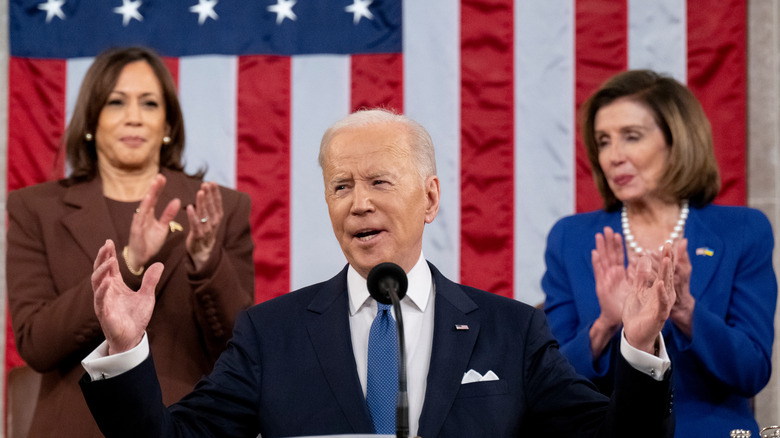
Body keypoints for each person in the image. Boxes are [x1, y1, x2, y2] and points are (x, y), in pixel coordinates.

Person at [81, 108, 674, 437]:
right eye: (340, 186)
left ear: (431, 198)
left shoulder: (512, 333)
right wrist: (127, 350)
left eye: (379, 182)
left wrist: (641, 348)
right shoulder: (271, 334)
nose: (357, 203)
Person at [6, 46, 255, 437]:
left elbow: (240, 347)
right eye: (116, 102)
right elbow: (37, 344)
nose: (134, 117)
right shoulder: (35, 209)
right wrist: (130, 261)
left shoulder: (220, 209)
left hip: (187, 425)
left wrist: (206, 261)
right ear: (92, 120)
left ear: (168, 124)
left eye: (150, 103)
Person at [542, 70, 777, 437]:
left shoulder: (743, 231)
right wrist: (605, 326)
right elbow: (549, 381)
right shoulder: (571, 239)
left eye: (631, 137)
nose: (613, 156)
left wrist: (685, 311)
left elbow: (752, 372)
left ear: (676, 140)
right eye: (603, 141)